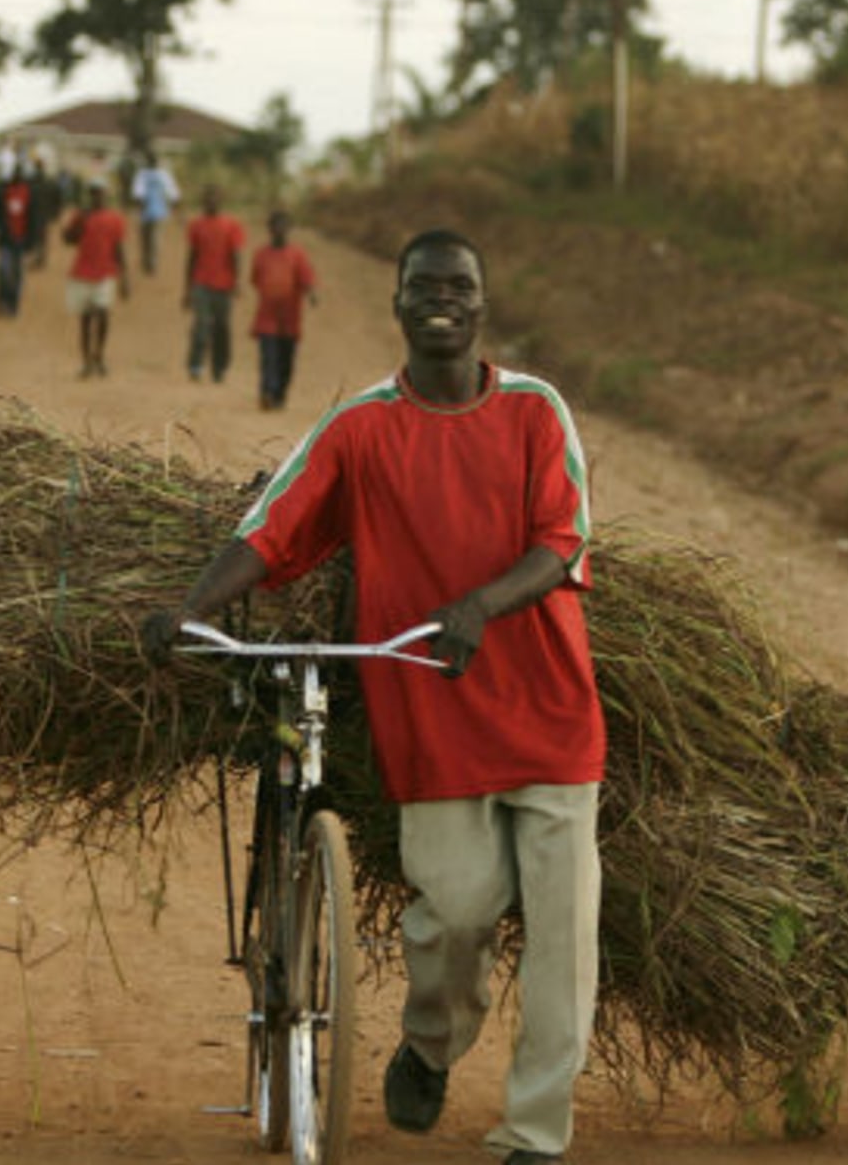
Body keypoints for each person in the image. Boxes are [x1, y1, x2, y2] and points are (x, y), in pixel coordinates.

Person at [143, 230, 605, 1165]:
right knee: (456, 915)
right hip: (431, 721)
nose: (444, 300)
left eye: (461, 286)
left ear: (482, 304)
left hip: (551, 715)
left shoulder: (534, 410)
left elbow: (564, 540)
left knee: (563, 945)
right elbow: (272, 530)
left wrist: (479, 604)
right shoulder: (360, 427)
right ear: (397, 306)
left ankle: (534, 1136)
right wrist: (188, 610)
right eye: (425, 287)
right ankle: (430, 1045)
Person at [247, 209, 318, 410]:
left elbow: (307, 278)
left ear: (289, 229)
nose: (279, 230)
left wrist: (311, 293)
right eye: (275, 226)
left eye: (283, 226)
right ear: (269, 229)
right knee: (268, 358)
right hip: (267, 316)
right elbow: (256, 280)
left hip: (290, 318)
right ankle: (267, 392)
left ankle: (280, 394)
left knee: (286, 359)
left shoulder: (297, 255)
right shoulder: (261, 254)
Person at [61, 181, 130, 378]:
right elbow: (68, 240)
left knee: (103, 313)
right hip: (82, 273)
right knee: (85, 320)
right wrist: (77, 222)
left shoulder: (115, 219)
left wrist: (124, 278)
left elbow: (119, 249)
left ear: (106, 195)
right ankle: (86, 361)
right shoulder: (81, 216)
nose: (96, 197)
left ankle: (99, 354)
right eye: (93, 194)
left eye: (99, 193)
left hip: (105, 273)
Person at [183, 185, 245, 383]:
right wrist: (187, 287)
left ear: (220, 201)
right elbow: (191, 257)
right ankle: (196, 365)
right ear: (203, 202)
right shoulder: (196, 225)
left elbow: (236, 255)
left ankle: (220, 367)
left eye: (215, 199)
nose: (211, 203)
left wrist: (236, 281)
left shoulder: (231, 225)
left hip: (223, 285)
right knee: (201, 325)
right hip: (201, 283)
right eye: (208, 199)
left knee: (222, 327)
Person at [0, 163, 36, 317]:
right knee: (3, 272)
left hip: (20, 240)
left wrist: (31, 243)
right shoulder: (3, 192)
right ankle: (1, 303)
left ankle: (13, 306)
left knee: (16, 274)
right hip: (5, 239)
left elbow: (33, 220)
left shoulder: (29, 193)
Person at [130, 152, 180, 275]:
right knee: (147, 239)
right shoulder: (144, 174)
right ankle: (147, 260)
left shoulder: (161, 174)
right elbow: (138, 193)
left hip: (156, 212)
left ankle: (151, 263)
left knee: (154, 239)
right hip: (149, 211)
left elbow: (172, 192)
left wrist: (174, 205)